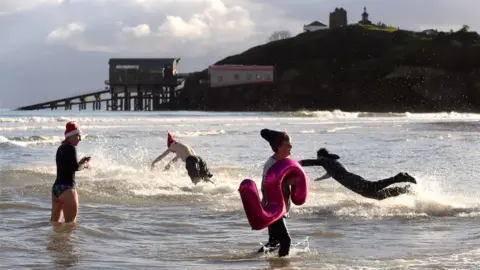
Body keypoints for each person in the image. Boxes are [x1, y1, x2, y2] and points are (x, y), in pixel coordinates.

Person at [299, 148, 417, 200]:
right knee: (376, 196)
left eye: (318, 157)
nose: (318, 159)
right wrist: (320, 178)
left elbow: (312, 162)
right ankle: (402, 190)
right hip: (353, 181)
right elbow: (330, 174)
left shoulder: (324, 161)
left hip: (353, 181)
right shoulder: (331, 163)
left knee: (373, 187)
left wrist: (296, 163)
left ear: (321, 156)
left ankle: (398, 177)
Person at [257, 128, 300, 257]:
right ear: (279, 147)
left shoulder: (284, 163)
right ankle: (282, 266)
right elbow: (268, 187)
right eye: (288, 145)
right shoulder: (271, 164)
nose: (291, 147)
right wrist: (287, 182)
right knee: (286, 241)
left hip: (279, 208)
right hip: (272, 208)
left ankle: (252, 259)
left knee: (274, 242)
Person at [51, 121, 90, 224]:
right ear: (71, 136)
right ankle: (66, 241)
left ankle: (55, 240)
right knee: (70, 224)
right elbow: (76, 168)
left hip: (56, 190)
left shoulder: (60, 148)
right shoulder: (72, 148)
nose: (80, 139)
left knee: (54, 224)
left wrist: (80, 162)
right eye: (78, 136)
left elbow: (67, 167)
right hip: (67, 190)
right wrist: (84, 165)